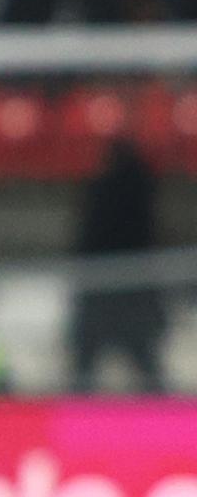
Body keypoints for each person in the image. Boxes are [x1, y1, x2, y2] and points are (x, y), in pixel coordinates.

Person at [67, 130, 167, 393]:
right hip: (128, 288)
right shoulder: (143, 188)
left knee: (87, 368)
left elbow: (88, 239)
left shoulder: (103, 190)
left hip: (113, 287)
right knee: (145, 368)